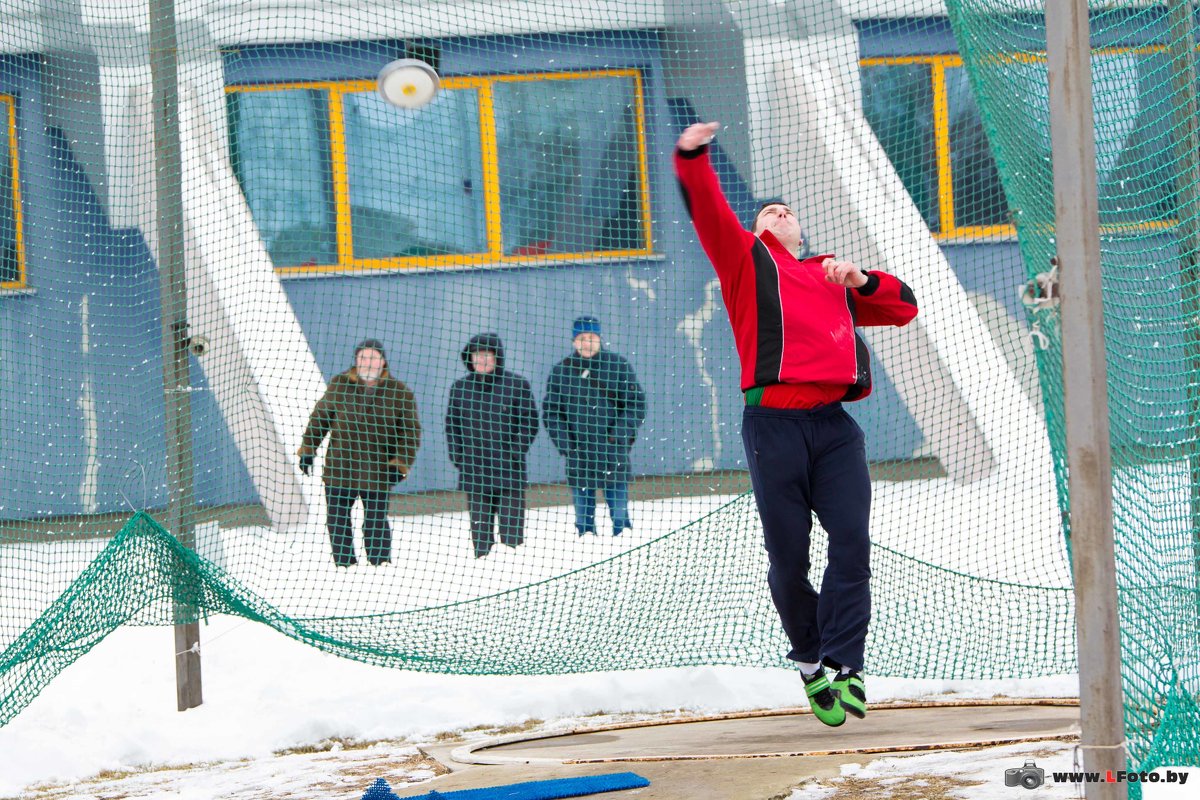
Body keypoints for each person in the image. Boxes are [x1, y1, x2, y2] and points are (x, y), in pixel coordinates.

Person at [674, 121, 918, 727]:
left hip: (834, 429)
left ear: (802, 228)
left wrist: (862, 279)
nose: (779, 212)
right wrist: (692, 154)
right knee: (788, 559)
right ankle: (809, 662)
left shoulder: (829, 273)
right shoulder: (746, 262)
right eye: (768, 211)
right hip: (773, 428)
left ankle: (847, 666)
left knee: (853, 545)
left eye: (787, 209)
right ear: (756, 230)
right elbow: (706, 209)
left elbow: (904, 308)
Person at [297, 338, 421, 567]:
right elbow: (319, 419)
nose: (368, 362)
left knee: (375, 522)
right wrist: (307, 449)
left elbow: (410, 432)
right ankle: (345, 566)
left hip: (378, 472)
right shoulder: (340, 385)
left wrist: (401, 463)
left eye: (373, 357)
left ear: (383, 361)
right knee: (337, 520)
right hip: (340, 469)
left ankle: (380, 564)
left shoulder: (400, 393)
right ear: (356, 360)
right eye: (363, 357)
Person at [543, 316, 646, 536]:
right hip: (579, 456)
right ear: (573, 342)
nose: (586, 343)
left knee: (620, 518)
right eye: (581, 338)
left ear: (599, 339)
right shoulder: (561, 372)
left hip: (613, 454)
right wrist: (568, 445)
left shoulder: (618, 366)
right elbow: (551, 414)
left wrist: (618, 435)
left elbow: (636, 404)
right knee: (584, 522)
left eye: (591, 337)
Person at [445, 333, 540, 558]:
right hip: (475, 473)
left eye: (487, 355)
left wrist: (516, 451)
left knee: (512, 537)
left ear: (497, 358)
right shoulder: (459, 389)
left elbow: (530, 422)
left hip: (510, 472)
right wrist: (458, 457)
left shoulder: (517, 385)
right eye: (477, 355)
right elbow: (452, 427)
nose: (482, 360)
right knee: (481, 538)